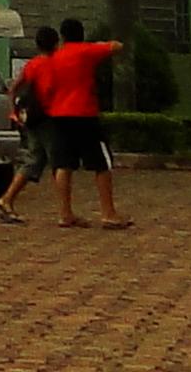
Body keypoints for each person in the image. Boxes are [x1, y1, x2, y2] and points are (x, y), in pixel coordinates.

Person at [35, 15, 129, 229]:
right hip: (85, 115)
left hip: (59, 115)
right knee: (101, 164)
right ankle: (108, 213)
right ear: (81, 33)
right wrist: (97, 44)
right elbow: (117, 46)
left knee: (63, 165)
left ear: (63, 36)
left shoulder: (55, 57)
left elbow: (47, 89)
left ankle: (65, 213)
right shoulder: (87, 51)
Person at [0, 24, 59, 222]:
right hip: (48, 119)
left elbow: (14, 88)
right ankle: (65, 210)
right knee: (58, 162)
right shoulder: (53, 64)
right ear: (56, 43)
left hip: (32, 118)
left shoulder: (33, 64)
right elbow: (49, 93)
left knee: (35, 159)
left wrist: (13, 112)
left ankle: (7, 199)